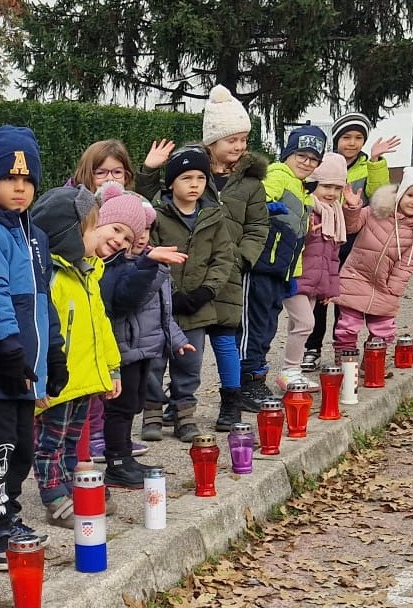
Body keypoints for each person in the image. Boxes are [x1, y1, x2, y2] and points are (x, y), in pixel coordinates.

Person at [136, 86, 268, 436]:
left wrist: (241, 260)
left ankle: (230, 402)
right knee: (169, 345)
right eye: (231, 140)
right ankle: (166, 408)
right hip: (181, 280)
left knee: (225, 338)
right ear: (212, 142)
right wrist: (151, 170)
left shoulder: (251, 183)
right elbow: (145, 201)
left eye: (243, 139)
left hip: (226, 273)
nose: (239, 147)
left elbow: (258, 226)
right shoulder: (192, 174)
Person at [0, 125, 66, 570]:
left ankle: (12, 514)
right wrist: (8, 348)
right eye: (10, 179)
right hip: (0, 367)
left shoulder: (36, 238)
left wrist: (56, 352)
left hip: (28, 369)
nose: (20, 188)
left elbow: (44, 303)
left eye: (27, 181)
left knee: (22, 450)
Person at [29, 182, 136, 516]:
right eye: (91, 229)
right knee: (51, 442)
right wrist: (39, 379)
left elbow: (100, 327)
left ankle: (77, 488)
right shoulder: (53, 278)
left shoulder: (89, 275)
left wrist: (111, 367)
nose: (97, 236)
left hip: (85, 379)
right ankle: (54, 496)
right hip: (59, 383)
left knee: (75, 440)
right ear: (69, 234)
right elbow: (41, 332)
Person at [99, 211, 195, 489]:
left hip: (146, 348)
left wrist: (177, 339)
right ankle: (116, 462)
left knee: (132, 405)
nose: (140, 237)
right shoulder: (119, 265)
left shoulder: (151, 261)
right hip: (124, 349)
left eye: (145, 230)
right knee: (119, 408)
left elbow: (163, 311)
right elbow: (127, 299)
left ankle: (125, 457)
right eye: (131, 232)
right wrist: (149, 265)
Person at [147, 147, 237, 441]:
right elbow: (149, 253)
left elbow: (223, 258)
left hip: (198, 307)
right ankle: (152, 414)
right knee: (155, 362)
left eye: (200, 177)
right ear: (171, 183)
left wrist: (207, 291)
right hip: (161, 306)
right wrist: (169, 293)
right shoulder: (157, 216)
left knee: (189, 365)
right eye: (186, 177)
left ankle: (184, 416)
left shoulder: (213, 217)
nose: (194, 184)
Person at [304, 112, 399, 369]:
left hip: (353, 240)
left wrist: (377, 161)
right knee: (317, 293)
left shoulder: (368, 165)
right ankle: (311, 347)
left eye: (358, 138)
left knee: (345, 297)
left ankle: (342, 345)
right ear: (337, 139)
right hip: (322, 237)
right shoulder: (321, 163)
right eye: (346, 137)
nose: (352, 143)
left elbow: (380, 197)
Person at [242, 124, 325, 402]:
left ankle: (257, 377)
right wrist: (266, 209)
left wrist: (293, 276)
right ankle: (248, 380)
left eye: (313, 159)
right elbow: (255, 202)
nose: (306, 162)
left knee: (268, 327)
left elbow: (296, 242)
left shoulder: (304, 190)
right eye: (301, 155)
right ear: (288, 154)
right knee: (257, 326)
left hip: (281, 272)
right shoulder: (279, 173)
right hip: (262, 267)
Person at [333, 168, 413, 348]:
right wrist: (353, 208)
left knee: (383, 331)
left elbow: (408, 263)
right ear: (401, 193)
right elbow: (351, 227)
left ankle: (372, 365)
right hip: (356, 277)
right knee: (347, 327)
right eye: (410, 195)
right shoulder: (376, 211)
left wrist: (394, 288)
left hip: (385, 286)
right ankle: (346, 365)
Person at [290, 154, 362, 367]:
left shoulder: (335, 214)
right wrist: (306, 231)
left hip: (316, 281)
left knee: (298, 326)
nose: (331, 193)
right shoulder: (306, 208)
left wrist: (330, 288)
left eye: (337, 188)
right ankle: (291, 367)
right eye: (326, 186)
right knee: (305, 324)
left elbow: (332, 258)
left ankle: (293, 369)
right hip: (297, 279)